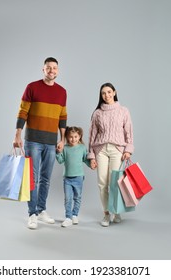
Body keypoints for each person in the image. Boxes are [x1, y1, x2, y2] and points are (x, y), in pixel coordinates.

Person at [13, 57, 67, 230]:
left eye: (54, 68)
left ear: (57, 71)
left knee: (46, 179)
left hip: (51, 142)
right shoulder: (32, 87)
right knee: (32, 179)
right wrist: (18, 135)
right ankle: (32, 214)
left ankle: (42, 209)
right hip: (33, 141)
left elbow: (62, 117)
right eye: (48, 68)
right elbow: (23, 112)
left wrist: (63, 139)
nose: (51, 70)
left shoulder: (62, 92)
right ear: (43, 70)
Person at [88, 82, 134, 227]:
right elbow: (91, 136)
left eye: (109, 92)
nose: (106, 95)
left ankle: (116, 211)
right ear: (100, 96)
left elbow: (129, 132)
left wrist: (128, 149)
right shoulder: (97, 113)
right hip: (100, 150)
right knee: (102, 183)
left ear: (114, 92)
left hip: (117, 151)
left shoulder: (123, 110)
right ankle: (106, 214)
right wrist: (91, 156)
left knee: (115, 183)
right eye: (103, 93)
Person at [56, 126, 90, 227]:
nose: (73, 139)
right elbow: (60, 160)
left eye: (75, 136)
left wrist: (92, 164)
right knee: (68, 198)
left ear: (79, 136)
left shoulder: (83, 148)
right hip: (67, 178)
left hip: (79, 177)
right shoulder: (65, 148)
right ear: (66, 137)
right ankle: (68, 217)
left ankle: (75, 214)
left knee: (77, 197)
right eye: (71, 137)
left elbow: (85, 159)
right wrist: (58, 152)